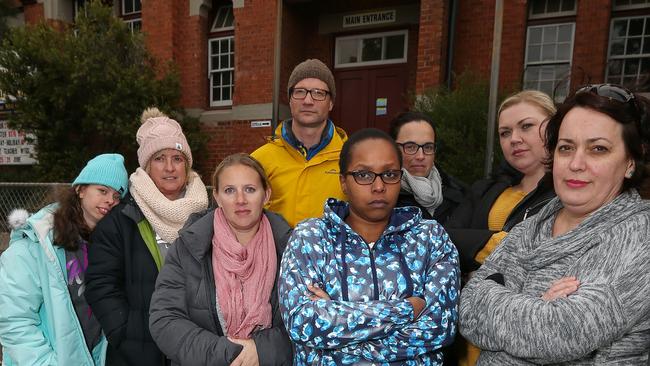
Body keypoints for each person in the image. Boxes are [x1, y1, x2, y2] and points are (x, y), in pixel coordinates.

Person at [459, 83, 650, 364]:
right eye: (566, 148)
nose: (576, 163)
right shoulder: (531, 227)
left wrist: (499, 298)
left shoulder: (638, 236)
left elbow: (561, 332)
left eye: (598, 149)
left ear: (630, 162)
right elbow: (468, 307)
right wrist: (538, 305)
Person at [279, 128, 460, 365]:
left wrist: (337, 323)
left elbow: (439, 326)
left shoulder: (430, 238)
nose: (378, 186)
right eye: (364, 175)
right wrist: (406, 309)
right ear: (343, 182)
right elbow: (302, 323)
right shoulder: (312, 237)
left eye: (389, 174)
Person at [85, 108, 209, 365]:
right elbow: (101, 285)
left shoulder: (209, 216)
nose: (170, 168)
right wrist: (126, 333)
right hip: (138, 353)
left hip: (198, 348)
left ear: (187, 165)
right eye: (159, 158)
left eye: (177, 158)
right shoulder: (121, 220)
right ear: (145, 165)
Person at [149, 153, 293, 365]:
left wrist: (261, 350)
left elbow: (308, 324)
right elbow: (165, 319)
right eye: (229, 190)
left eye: (250, 189)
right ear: (216, 196)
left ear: (266, 194)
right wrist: (230, 354)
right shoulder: (187, 248)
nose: (241, 200)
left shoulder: (293, 250)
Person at [0, 153, 128, 366]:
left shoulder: (110, 245)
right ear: (80, 189)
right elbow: (14, 319)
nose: (110, 200)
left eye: (117, 196)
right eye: (103, 191)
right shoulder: (36, 243)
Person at [446, 90, 556, 274]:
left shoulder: (569, 194)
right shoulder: (483, 189)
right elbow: (440, 238)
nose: (514, 139)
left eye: (526, 126)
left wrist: (473, 246)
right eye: (505, 133)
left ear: (554, 128)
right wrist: (495, 243)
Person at [251, 58, 347, 227]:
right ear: (290, 99)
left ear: (331, 102)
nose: (308, 101)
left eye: (318, 93)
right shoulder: (259, 160)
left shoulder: (351, 158)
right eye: (300, 91)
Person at [389, 111, 468, 225]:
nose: (420, 156)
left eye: (428, 147)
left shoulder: (460, 194)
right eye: (410, 147)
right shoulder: (381, 199)